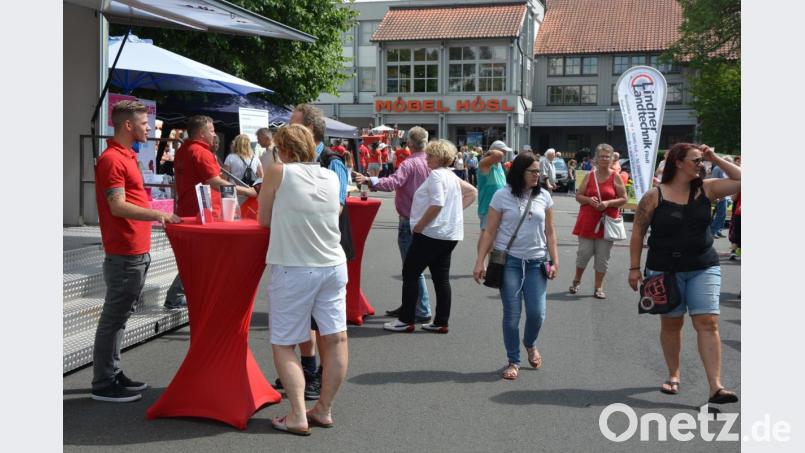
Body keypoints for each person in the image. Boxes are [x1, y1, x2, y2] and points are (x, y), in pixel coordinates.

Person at [628, 143, 741, 404]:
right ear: (678, 162)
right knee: (671, 323)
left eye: (703, 160)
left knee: (708, 322)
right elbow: (637, 233)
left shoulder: (707, 188)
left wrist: (716, 157)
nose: (701, 164)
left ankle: (715, 386)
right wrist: (634, 268)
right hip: (664, 269)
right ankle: (673, 374)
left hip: (703, 265)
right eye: (697, 160)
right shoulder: (654, 195)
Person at [257, 124, 349, 435]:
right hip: (334, 264)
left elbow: (263, 219)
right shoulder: (331, 175)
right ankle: (323, 409)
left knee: (284, 343)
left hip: (294, 266)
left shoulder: (278, 172)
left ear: (281, 149)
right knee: (336, 339)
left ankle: (297, 414)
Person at [91, 100, 182, 402]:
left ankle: (112, 372)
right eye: (144, 123)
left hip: (134, 249)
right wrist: (159, 215)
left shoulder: (127, 155)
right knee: (114, 317)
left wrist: (156, 214)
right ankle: (103, 383)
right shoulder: (112, 160)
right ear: (128, 125)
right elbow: (117, 206)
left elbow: (131, 200)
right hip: (124, 250)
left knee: (120, 315)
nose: (149, 127)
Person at [282, 103, 352, 401]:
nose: (289, 128)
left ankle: (318, 376)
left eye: (294, 124)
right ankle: (308, 370)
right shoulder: (295, 162)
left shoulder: (330, 160)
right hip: (305, 253)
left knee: (326, 327)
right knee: (308, 322)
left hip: (323, 249)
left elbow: (336, 207)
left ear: (309, 130)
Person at [473, 153, 559, 380]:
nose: (537, 175)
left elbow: (550, 231)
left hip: (536, 261)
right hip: (509, 261)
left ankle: (530, 343)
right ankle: (513, 360)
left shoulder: (544, 196)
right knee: (512, 315)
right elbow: (490, 231)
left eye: (539, 171)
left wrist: (555, 259)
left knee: (536, 313)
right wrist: (480, 260)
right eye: (533, 171)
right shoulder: (502, 196)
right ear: (520, 172)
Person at [384, 139, 477, 333]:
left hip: (431, 233)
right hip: (449, 234)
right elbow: (471, 192)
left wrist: (420, 225)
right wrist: (452, 214)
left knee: (410, 273)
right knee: (440, 278)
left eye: (430, 155)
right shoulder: (451, 175)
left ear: (438, 157)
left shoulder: (436, 176)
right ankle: (441, 321)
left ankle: (406, 319)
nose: (427, 158)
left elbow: (437, 203)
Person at [164, 116, 257, 309]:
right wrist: (247, 191)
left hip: (193, 211)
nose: (215, 134)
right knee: (200, 258)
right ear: (201, 133)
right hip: (204, 214)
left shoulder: (184, 150)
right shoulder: (200, 152)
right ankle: (176, 295)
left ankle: (182, 294)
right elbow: (215, 182)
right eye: (212, 130)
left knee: (198, 258)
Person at [354, 127, 434, 322]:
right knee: (417, 267)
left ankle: (421, 307)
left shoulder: (411, 163)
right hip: (427, 219)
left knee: (411, 268)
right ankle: (413, 304)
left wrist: (369, 180)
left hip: (410, 220)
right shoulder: (431, 162)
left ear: (409, 144)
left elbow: (392, 183)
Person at [569, 143, 627, 299]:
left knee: (603, 257)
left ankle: (598, 287)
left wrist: (608, 203)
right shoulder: (590, 175)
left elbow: (624, 198)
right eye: (601, 156)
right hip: (588, 222)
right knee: (583, 253)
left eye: (607, 156)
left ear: (611, 159)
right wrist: (588, 199)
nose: (604, 159)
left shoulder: (616, 176)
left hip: (606, 223)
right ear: (596, 158)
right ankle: (577, 280)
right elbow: (578, 196)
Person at [477, 141, 509, 255]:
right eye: (503, 151)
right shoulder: (484, 164)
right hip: (487, 205)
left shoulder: (499, 165)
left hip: (499, 207)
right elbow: (498, 155)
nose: (504, 154)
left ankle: (491, 264)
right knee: (486, 234)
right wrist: (490, 152)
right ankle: (481, 263)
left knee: (495, 238)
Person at [709, 155, 733, 238]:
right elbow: (714, 181)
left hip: (726, 195)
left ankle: (719, 230)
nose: (729, 164)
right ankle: (713, 231)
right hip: (720, 195)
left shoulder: (727, 169)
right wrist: (717, 195)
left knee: (723, 215)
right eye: (728, 162)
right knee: (720, 214)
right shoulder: (717, 168)